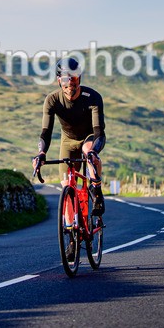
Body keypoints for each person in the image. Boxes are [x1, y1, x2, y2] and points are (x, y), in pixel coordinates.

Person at [32, 57, 106, 218]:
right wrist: (41, 153)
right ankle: (71, 231)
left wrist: (93, 151)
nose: (70, 84)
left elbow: (99, 131)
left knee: (89, 152)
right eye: (66, 80)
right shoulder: (52, 100)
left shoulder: (92, 97)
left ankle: (97, 191)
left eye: (73, 79)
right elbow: (46, 131)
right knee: (67, 186)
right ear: (59, 80)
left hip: (90, 137)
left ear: (79, 78)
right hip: (68, 141)